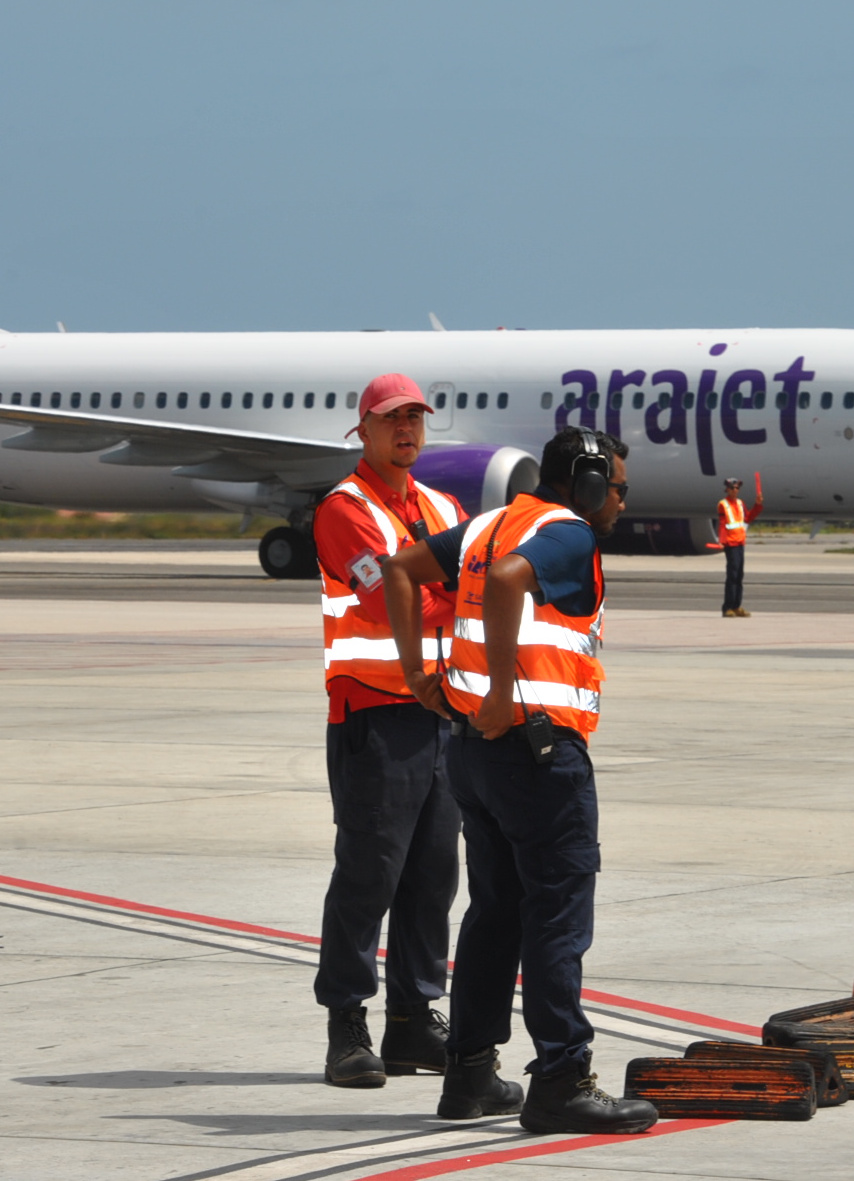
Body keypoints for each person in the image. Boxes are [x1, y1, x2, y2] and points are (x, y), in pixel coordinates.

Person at [383, 427, 659, 1135]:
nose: (622, 503)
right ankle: (562, 1079)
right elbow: (508, 582)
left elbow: (401, 568)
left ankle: (470, 1075)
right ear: (590, 483)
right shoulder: (565, 532)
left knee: (495, 913)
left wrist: (420, 677)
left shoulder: (490, 524)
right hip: (537, 756)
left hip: (473, 753)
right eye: (618, 488)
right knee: (556, 916)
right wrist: (504, 690)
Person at [310, 373, 468, 1089]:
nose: (406, 429)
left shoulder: (443, 504)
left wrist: (443, 594)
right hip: (374, 712)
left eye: (415, 417)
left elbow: (461, 590)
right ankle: (347, 1023)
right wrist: (450, 593)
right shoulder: (344, 510)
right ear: (362, 431)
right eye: (391, 418)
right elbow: (386, 599)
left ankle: (413, 1020)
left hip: (444, 716)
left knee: (434, 876)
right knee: (369, 874)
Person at [717, 477, 749, 617]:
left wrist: (758, 505)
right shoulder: (723, 504)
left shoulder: (740, 503)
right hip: (731, 543)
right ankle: (727, 607)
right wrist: (722, 541)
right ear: (727, 489)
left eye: (737, 488)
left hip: (740, 542)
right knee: (732, 575)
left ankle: (736, 606)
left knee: (739, 576)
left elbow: (748, 518)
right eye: (733, 488)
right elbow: (723, 524)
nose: (736, 490)